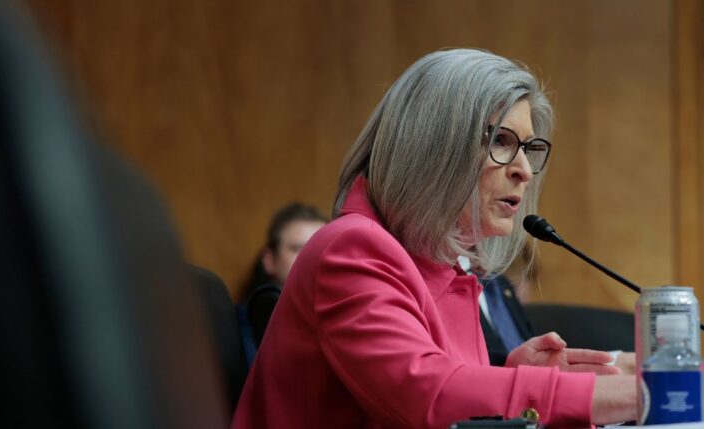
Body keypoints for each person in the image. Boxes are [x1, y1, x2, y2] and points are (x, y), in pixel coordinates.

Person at [232, 49, 636, 428]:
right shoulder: (351, 249)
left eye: (528, 148)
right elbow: (427, 395)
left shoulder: (443, 265)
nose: (524, 172)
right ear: (432, 146)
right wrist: (606, 394)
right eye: (499, 140)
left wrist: (512, 376)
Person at [238, 203, 328, 358]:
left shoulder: (343, 318)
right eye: (298, 249)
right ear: (270, 260)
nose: (312, 258)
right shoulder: (239, 326)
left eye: (322, 248)